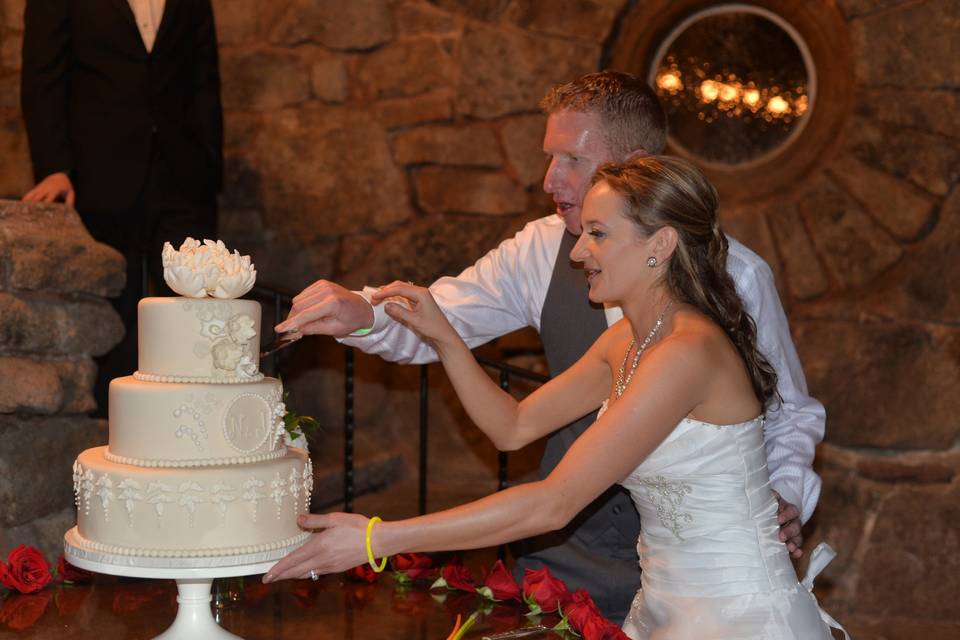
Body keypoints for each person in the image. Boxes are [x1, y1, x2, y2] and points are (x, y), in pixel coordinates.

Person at [275, 72, 824, 622]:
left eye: (599, 233)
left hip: (727, 611)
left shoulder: (696, 338)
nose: (578, 249)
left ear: (657, 238)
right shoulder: (624, 336)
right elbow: (511, 426)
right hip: (627, 591)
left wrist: (377, 538)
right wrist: (422, 330)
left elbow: (555, 501)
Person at [20, 0, 223, 415]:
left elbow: (204, 78)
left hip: (181, 175)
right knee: (112, 321)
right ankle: (111, 440)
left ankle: (186, 434)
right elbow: (43, 76)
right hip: (97, 178)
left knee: (195, 316)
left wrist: (209, 163)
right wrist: (54, 167)